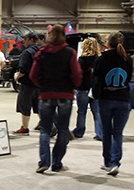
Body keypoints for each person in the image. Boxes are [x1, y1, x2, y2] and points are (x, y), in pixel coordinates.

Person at [29, 25, 81, 173]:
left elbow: (33, 74)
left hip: (46, 94)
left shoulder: (41, 53)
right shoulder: (70, 52)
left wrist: (42, 85)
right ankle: (57, 163)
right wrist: (72, 86)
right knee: (63, 130)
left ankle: (44, 162)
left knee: (45, 130)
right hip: (65, 95)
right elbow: (76, 74)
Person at [92, 32, 132, 176]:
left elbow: (95, 79)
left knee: (106, 132)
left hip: (106, 98)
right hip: (123, 98)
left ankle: (108, 161)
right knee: (118, 133)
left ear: (107, 43)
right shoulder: (127, 59)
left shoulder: (102, 59)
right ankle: (115, 163)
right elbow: (129, 78)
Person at [73, 37, 103, 141]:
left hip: (83, 88)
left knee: (81, 111)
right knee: (97, 111)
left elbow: (78, 74)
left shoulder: (81, 59)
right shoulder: (99, 59)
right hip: (95, 88)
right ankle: (100, 133)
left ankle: (79, 131)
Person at [13, 32, 41, 135]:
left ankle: (24, 127)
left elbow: (23, 69)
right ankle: (46, 124)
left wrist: (17, 76)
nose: (23, 41)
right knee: (38, 106)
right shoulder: (41, 51)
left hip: (27, 83)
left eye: (25, 39)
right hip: (39, 84)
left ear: (31, 40)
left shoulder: (27, 52)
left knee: (24, 105)